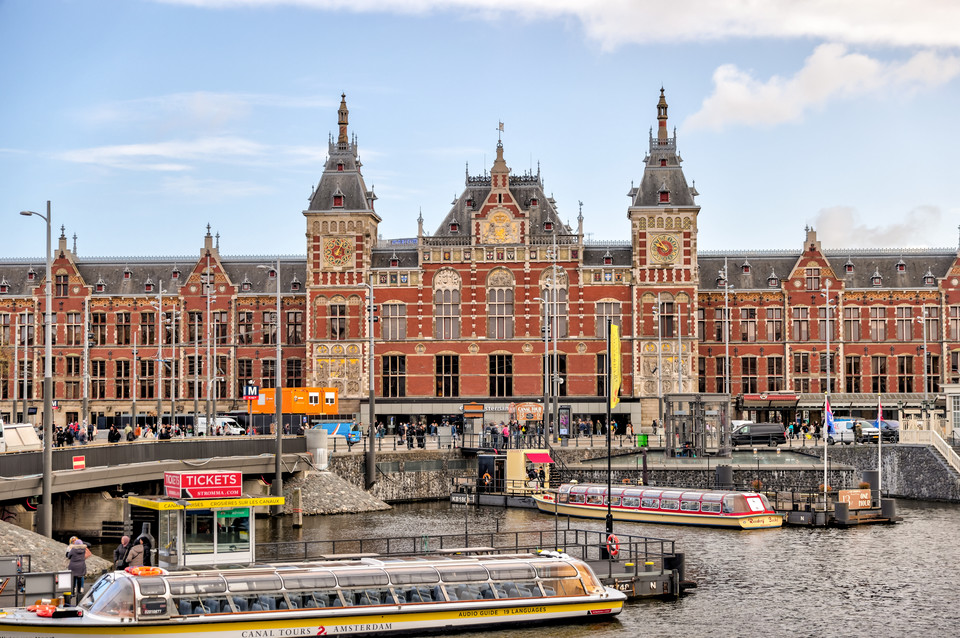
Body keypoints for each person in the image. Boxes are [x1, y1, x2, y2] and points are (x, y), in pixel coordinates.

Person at [66, 537, 92, 603]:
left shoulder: (73, 549)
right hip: (81, 566)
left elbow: (69, 556)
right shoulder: (83, 550)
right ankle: (80, 592)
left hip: (73, 566)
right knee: (80, 578)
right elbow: (89, 549)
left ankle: (73, 592)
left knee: (73, 579)